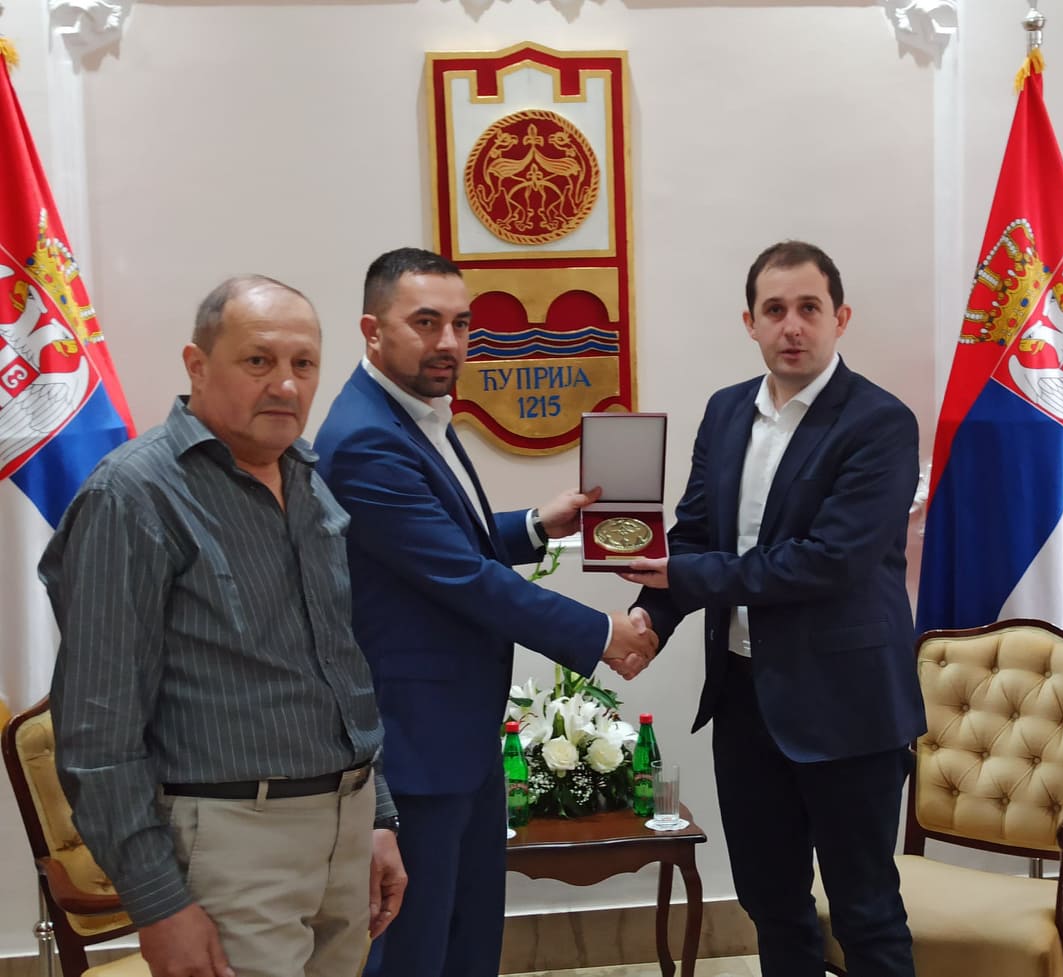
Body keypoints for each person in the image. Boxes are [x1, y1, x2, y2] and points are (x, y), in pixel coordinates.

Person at [42, 275, 406, 977]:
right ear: (197, 365)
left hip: (346, 830)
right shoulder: (134, 496)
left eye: (304, 363)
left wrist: (377, 813)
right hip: (231, 844)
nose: (286, 385)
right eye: (258, 360)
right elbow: (97, 732)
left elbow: (338, 667)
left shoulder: (307, 479)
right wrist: (157, 904)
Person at [313, 247, 658, 977]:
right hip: (415, 745)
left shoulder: (412, 413)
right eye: (425, 322)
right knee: (416, 951)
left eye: (461, 323)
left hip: (455, 734)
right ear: (372, 331)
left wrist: (534, 525)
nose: (448, 341)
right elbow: (463, 577)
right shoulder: (365, 439)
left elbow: (439, 543)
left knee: (466, 943)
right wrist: (602, 634)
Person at [619, 241, 923, 977]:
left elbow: (827, 561)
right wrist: (650, 620)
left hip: (847, 706)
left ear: (840, 318)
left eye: (809, 308)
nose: (792, 326)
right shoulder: (726, 412)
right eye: (775, 309)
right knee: (770, 902)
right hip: (745, 699)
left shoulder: (880, 422)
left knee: (865, 912)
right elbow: (693, 533)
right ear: (749, 322)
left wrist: (684, 574)